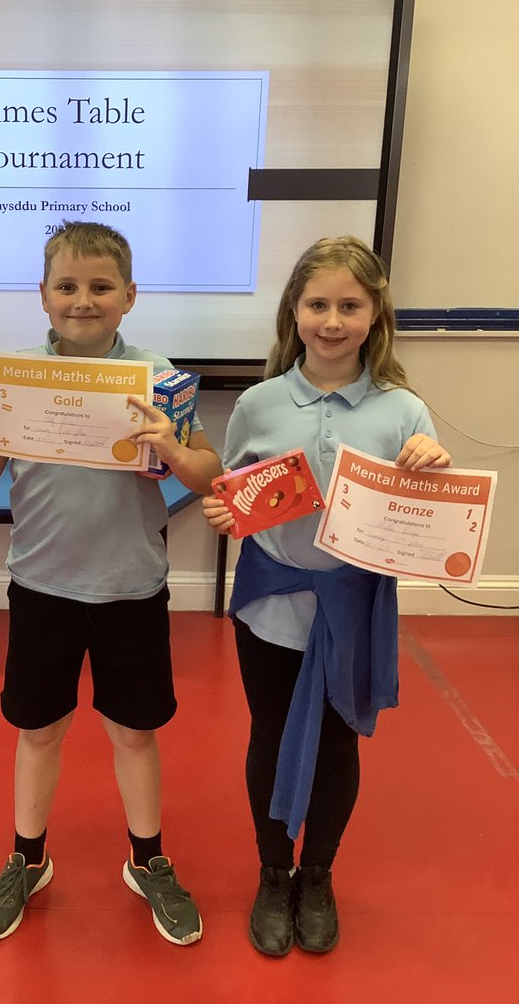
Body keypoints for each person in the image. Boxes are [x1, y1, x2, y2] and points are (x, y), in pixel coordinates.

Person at [0, 221, 222, 945]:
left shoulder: (159, 375)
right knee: (39, 729)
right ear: (44, 296)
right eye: (67, 286)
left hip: (131, 588)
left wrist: (174, 447)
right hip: (44, 587)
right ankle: (29, 857)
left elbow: (209, 472)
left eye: (100, 286)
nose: (83, 300)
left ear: (129, 296)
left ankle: (147, 860)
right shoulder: (18, 375)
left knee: (135, 732)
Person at [202, 236, 451, 957]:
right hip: (272, 604)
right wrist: (226, 510)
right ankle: (273, 872)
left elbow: (425, 510)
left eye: (350, 305)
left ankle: (319, 874)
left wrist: (431, 467)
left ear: (375, 314)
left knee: (340, 743)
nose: (332, 320)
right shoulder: (259, 402)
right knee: (271, 735)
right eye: (318, 304)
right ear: (294, 312)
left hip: (353, 609)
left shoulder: (404, 410)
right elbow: (236, 490)